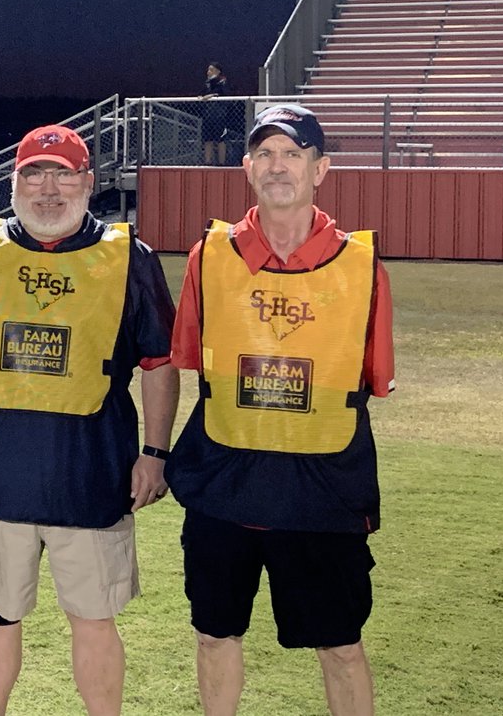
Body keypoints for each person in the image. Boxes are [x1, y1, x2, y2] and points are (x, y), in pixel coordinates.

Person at [0, 124, 180, 716]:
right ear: (15, 182)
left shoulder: (127, 257)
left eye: (63, 174)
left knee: (93, 620)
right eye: (34, 173)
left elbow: (160, 361)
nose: (49, 189)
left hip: (93, 476)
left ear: (88, 181)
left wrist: (155, 452)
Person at [165, 104, 395, 716]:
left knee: (341, 646)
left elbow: (371, 379)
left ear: (320, 169)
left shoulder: (362, 266)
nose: (277, 166)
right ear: (245, 167)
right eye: (264, 153)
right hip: (225, 480)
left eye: (293, 154)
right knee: (215, 633)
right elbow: (189, 361)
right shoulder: (206, 257)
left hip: (322, 489)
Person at [200, 63, 232, 166]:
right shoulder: (207, 83)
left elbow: (224, 94)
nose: (208, 72)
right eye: (208, 70)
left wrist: (211, 95)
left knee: (220, 139)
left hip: (220, 116)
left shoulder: (223, 81)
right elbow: (202, 94)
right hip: (207, 116)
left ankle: (221, 163)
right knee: (207, 139)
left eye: (211, 70)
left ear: (218, 71)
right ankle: (207, 162)